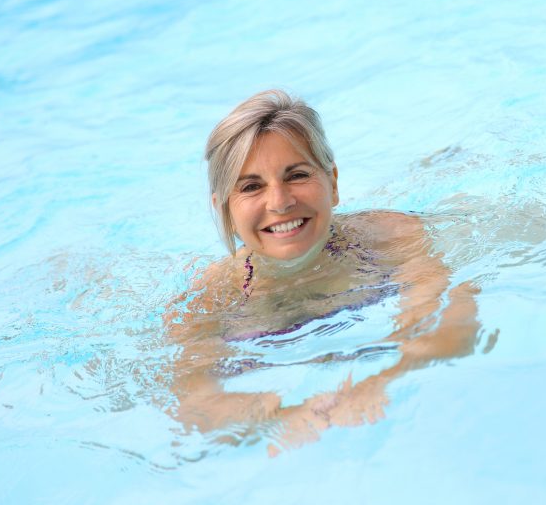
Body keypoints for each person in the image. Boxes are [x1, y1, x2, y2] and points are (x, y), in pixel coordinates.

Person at [166, 89, 485, 454]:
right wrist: (276, 417)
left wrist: (384, 380)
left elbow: (453, 327)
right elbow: (193, 406)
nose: (280, 202)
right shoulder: (208, 300)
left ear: (332, 184)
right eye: (251, 186)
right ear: (224, 209)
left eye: (297, 175)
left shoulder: (391, 240)